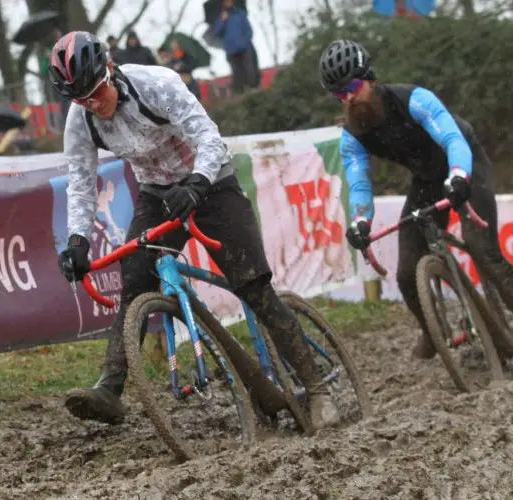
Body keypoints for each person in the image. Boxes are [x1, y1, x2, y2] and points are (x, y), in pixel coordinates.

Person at [47, 31, 339, 429]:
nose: (94, 104)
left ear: (110, 70)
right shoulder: (81, 120)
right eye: (82, 99)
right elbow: (81, 184)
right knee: (134, 284)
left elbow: (208, 137)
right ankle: (109, 388)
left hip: (211, 183)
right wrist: (77, 239)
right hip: (156, 193)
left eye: (97, 91)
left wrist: (199, 183)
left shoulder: (157, 83)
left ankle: (317, 388)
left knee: (252, 286)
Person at [318, 39, 513, 376]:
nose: (348, 97)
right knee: (407, 272)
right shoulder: (352, 135)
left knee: (483, 250)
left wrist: (459, 176)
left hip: (465, 163)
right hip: (427, 179)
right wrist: (361, 220)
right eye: (338, 93)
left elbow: (452, 140)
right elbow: (360, 182)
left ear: (371, 79)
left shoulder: (413, 99)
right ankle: (432, 332)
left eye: (353, 86)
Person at [212, 0, 258, 94]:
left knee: (250, 68)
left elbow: (249, 30)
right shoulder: (221, 18)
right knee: (237, 72)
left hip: (244, 47)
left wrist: (245, 42)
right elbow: (217, 33)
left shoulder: (240, 14)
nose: (228, 2)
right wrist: (222, 21)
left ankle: (253, 89)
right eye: (226, 1)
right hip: (231, 50)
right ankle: (240, 92)